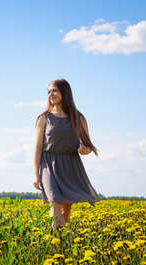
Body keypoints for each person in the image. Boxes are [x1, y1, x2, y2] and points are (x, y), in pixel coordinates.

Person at [33, 78, 100, 230]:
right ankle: (59, 241)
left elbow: (88, 146)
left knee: (66, 210)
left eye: (54, 90)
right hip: (48, 164)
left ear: (65, 92)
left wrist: (85, 150)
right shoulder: (44, 118)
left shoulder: (78, 118)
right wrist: (35, 174)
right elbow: (37, 147)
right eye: (49, 91)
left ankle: (62, 245)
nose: (51, 94)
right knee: (54, 201)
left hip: (70, 165)